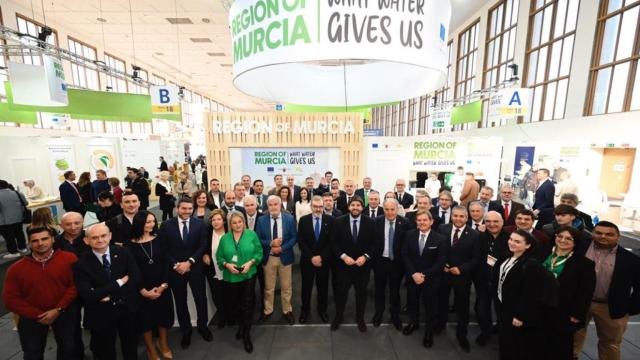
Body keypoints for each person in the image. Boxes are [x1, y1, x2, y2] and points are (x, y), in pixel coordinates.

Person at [3, 226, 79, 360]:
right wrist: (38, 315)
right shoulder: (16, 269)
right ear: (29, 243)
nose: (40, 243)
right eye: (35, 240)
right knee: (32, 353)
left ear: (53, 239)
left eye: (44, 239)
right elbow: (10, 299)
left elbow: (74, 286)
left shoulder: (69, 259)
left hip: (64, 312)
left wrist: (58, 309)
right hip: (32, 318)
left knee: (68, 349)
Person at [72, 223, 141, 360]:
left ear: (110, 236)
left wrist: (107, 294)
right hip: (100, 314)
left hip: (126, 309)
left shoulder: (124, 252)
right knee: (104, 350)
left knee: (130, 345)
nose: (100, 240)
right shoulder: (80, 264)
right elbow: (88, 294)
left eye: (103, 236)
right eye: (94, 237)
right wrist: (119, 282)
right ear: (86, 241)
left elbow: (136, 278)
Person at [574, 221, 640, 360]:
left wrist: (629, 308)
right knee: (571, 339)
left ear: (618, 236)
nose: (603, 236)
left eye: (609, 234)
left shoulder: (631, 259)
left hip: (610, 308)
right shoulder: (579, 249)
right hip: (579, 304)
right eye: (598, 233)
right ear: (593, 233)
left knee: (610, 344)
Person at [158, 198, 212, 348]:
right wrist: (176, 265)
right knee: (180, 301)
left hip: (195, 267)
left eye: (190, 208)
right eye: (184, 208)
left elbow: (203, 245)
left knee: (200, 299)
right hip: (175, 270)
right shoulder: (166, 225)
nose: (187, 211)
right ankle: (186, 331)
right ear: (177, 209)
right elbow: (164, 249)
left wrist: (189, 262)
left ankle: (203, 327)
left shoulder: (200, 224)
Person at [541, 225, 596, 360]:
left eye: (568, 238)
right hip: (540, 308)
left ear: (575, 242)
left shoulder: (584, 263)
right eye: (560, 236)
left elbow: (585, 292)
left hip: (563, 312)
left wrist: (577, 314)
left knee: (559, 347)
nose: (563, 240)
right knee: (539, 344)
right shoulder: (543, 253)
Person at [494, 229, 546, 360]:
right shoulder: (506, 255)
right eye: (511, 239)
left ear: (528, 245)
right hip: (502, 305)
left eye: (517, 241)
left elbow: (530, 293)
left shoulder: (531, 264)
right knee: (504, 338)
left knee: (515, 343)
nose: (511, 243)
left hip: (515, 310)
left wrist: (520, 315)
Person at [436, 206, 482, 353]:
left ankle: (462, 334)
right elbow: (437, 249)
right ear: (451, 216)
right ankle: (440, 324)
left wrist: (461, 269)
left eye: (461, 216)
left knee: (462, 305)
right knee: (442, 300)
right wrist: (441, 264)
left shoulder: (474, 235)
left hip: (462, 276)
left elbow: (476, 259)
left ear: (466, 218)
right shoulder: (442, 229)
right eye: (455, 216)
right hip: (444, 273)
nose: (458, 219)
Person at [128, 211, 174, 360]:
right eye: (148, 222)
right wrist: (143, 291)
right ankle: (150, 349)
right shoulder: (130, 245)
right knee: (145, 321)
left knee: (163, 317)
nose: (152, 225)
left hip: (162, 286)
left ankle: (164, 344)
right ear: (139, 222)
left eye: (153, 221)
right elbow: (131, 270)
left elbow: (167, 262)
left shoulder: (159, 239)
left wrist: (163, 285)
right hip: (142, 290)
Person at [216, 211, 263, 353]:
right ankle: (241, 327)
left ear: (244, 222)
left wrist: (250, 263)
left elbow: (259, 252)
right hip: (231, 277)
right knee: (235, 304)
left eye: (240, 222)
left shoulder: (251, 235)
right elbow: (219, 257)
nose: (238, 225)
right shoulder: (224, 238)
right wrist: (227, 265)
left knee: (247, 304)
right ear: (230, 224)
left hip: (248, 274)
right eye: (234, 222)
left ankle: (247, 333)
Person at [401, 210, 447, 348]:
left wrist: (424, 275)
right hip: (412, 277)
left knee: (430, 306)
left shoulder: (440, 239)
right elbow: (405, 255)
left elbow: (440, 262)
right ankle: (413, 323)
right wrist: (414, 274)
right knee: (412, 301)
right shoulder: (410, 235)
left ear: (431, 222)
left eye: (424, 220)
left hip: (431, 279)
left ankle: (428, 332)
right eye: (419, 220)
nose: (421, 222)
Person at [331, 196, 375, 332]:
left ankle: (360, 318)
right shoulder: (338, 222)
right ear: (348, 207)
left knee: (361, 294)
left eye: (358, 205)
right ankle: (338, 317)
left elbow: (375, 244)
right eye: (353, 205)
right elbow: (333, 243)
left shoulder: (370, 222)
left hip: (363, 267)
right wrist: (343, 257)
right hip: (344, 266)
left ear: (362, 207)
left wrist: (366, 257)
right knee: (341, 293)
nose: (355, 207)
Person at [256, 195, 297, 324]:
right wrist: (270, 244)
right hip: (269, 258)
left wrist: (282, 248)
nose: (273, 207)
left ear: (280, 206)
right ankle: (268, 310)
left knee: (286, 287)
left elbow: (294, 238)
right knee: (269, 287)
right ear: (267, 207)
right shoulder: (261, 220)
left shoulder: (289, 219)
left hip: (285, 257)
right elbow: (258, 238)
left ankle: (287, 310)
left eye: (276, 204)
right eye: (270, 205)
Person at [372, 198, 410, 330]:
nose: (389, 212)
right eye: (386, 209)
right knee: (379, 290)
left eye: (392, 209)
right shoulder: (376, 222)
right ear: (383, 209)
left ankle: (395, 315)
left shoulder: (405, 223)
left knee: (395, 291)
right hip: (380, 261)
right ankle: (379, 313)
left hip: (397, 263)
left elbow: (407, 245)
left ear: (397, 209)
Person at [474, 211, 510, 346]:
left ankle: (502, 330)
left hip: (503, 282)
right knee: (482, 309)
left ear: (502, 222)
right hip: (483, 280)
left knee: (502, 310)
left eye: (495, 221)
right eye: (488, 221)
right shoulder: (480, 237)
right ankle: (486, 332)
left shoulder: (510, 238)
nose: (492, 224)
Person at [297, 196, 334, 324]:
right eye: (315, 207)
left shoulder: (330, 220)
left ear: (323, 207)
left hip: (324, 261)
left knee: (323, 287)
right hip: (307, 261)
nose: (318, 209)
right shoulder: (303, 220)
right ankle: (305, 311)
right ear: (311, 207)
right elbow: (301, 242)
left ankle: (322, 310)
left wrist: (321, 257)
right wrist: (312, 257)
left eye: (320, 207)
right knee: (306, 288)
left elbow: (331, 243)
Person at [203, 209, 227, 328]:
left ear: (223, 221)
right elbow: (203, 248)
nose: (216, 222)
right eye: (213, 220)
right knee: (216, 295)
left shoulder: (229, 233)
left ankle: (231, 315)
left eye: (218, 219)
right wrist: (205, 254)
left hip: (229, 271)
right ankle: (222, 316)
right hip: (213, 270)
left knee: (230, 294)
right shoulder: (208, 233)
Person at [0, 180, 29, 258]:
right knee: (19, 233)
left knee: (9, 236)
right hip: (19, 218)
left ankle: (13, 252)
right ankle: (23, 248)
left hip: (4, 220)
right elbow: (26, 203)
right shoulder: (17, 193)